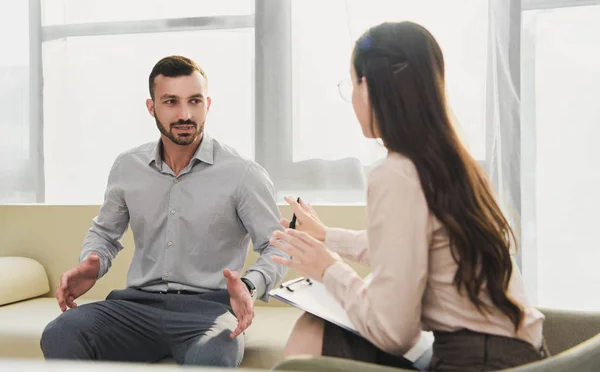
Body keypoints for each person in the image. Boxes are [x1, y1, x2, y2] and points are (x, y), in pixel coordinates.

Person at [269, 22, 548, 371]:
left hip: (476, 362)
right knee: (318, 332)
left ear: (369, 88)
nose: (352, 99)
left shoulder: (396, 173)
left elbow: (394, 331)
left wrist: (329, 269)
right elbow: (413, 250)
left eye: (351, 84)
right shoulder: (451, 162)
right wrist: (327, 237)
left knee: (310, 340)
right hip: (518, 354)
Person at [40, 55, 288, 367]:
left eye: (194, 101)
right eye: (171, 101)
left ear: (207, 105)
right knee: (62, 331)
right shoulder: (127, 167)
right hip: (135, 307)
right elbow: (104, 235)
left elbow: (277, 247)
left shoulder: (243, 174)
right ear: (151, 106)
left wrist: (250, 286)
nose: (185, 114)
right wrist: (92, 264)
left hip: (208, 312)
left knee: (215, 352)